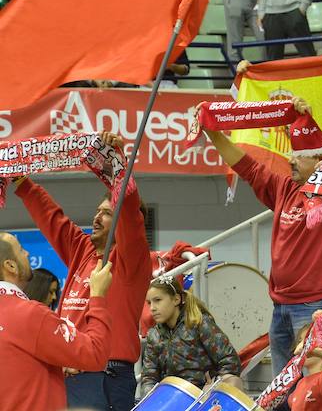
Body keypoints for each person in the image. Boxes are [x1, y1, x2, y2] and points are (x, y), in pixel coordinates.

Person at [203, 97, 322, 375]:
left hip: (316, 306)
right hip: (281, 306)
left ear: (320, 158)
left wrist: (309, 124)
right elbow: (246, 166)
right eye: (292, 152)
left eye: (300, 153)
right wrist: (211, 131)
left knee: (317, 388)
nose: (291, 159)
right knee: (281, 389)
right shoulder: (284, 187)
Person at [13, 132, 151, 411]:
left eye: (107, 213)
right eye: (97, 211)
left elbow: (129, 210)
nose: (97, 217)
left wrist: (117, 166)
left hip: (105, 375)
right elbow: (53, 218)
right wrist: (19, 180)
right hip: (71, 369)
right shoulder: (83, 250)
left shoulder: (131, 261)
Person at [0, 234, 114, 411]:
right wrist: (98, 296)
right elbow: (95, 353)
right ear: (10, 266)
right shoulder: (31, 314)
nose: (27, 253)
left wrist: (54, 363)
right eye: (21, 250)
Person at [139, 276, 241, 397]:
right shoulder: (154, 335)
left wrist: (214, 386)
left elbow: (230, 361)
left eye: (158, 300)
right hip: (171, 398)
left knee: (233, 381)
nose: (152, 308)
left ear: (176, 299)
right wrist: (151, 396)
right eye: (149, 303)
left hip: (204, 395)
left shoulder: (199, 323)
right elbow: (149, 377)